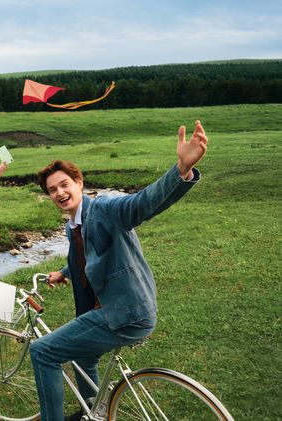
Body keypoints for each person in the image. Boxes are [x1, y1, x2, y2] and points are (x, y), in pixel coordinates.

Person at [30, 121, 208, 421]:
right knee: (83, 358)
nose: (59, 193)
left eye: (64, 184)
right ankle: (93, 412)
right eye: (52, 190)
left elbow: (141, 203)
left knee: (42, 352)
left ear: (79, 183)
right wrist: (63, 272)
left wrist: (181, 169)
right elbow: (85, 255)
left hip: (125, 312)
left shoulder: (104, 210)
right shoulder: (74, 224)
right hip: (116, 309)